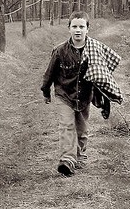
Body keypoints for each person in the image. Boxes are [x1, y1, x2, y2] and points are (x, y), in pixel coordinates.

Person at [41, 11, 122, 177]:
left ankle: (79, 156)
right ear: (69, 28)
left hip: (85, 96)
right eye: (74, 26)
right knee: (66, 126)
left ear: (87, 29)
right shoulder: (60, 51)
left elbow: (103, 74)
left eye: (81, 27)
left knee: (82, 130)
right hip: (64, 94)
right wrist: (45, 91)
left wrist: (105, 96)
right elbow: (49, 73)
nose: (78, 30)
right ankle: (67, 160)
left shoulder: (95, 50)